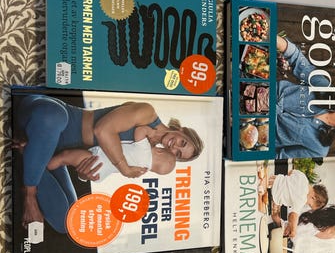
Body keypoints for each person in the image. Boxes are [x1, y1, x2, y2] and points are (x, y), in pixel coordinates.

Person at [13, 94, 203, 231]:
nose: (174, 148)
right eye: (182, 142)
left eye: (178, 154)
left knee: (68, 221)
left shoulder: (148, 154)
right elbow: (102, 130)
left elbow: (95, 161)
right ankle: (30, 193)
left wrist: (84, 174)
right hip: (52, 116)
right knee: (53, 117)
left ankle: (30, 152)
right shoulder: (147, 113)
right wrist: (125, 168)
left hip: (57, 150)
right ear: (182, 130)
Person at [47, 124, 177, 182]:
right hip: (100, 172)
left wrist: (151, 132)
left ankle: (44, 165)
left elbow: (140, 131)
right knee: (65, 159)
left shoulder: (145, 151)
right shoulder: (142, 170)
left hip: (95, 160)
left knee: (64, 156)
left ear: (159, 151)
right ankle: (48, 165)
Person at [268, 169, 328, 237]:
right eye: (310, 204)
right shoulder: (302, 199)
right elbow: (293, 216)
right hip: (272, 194)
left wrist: (287, 183)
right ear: (313, 198)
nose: (306, 204)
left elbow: (291, 172)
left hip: (271, 179)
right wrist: (293, 230)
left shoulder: (303, 177)